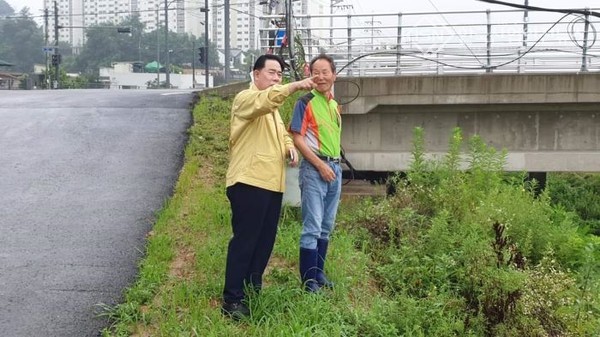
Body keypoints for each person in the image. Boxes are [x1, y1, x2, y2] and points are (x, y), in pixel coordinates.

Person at [222, 54, 316, 320]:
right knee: (245, 241)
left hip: (271, 184)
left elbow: (282, 133)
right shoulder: (246, 99)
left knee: (264, 242)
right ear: (256, 74)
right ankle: (232, 299)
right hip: (249, 181)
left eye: (280, 75)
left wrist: (288, 147)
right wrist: (295, 86)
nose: (276, 78)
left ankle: (252, 290)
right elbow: (265, 101)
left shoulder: (272, 110)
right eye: (272, 72)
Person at [289, 54, 342, 292]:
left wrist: (332, 166)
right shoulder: (305, 101)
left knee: (326, 225)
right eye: (316, 72)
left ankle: (318, 274)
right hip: (315, 169)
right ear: (310, 74)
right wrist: (320, 165)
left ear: (334, 75)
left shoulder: (333, 104)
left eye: (325, 72)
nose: (320, 76)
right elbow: (297, 137)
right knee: (312, 227)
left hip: (335, 169)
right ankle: (308, 281)